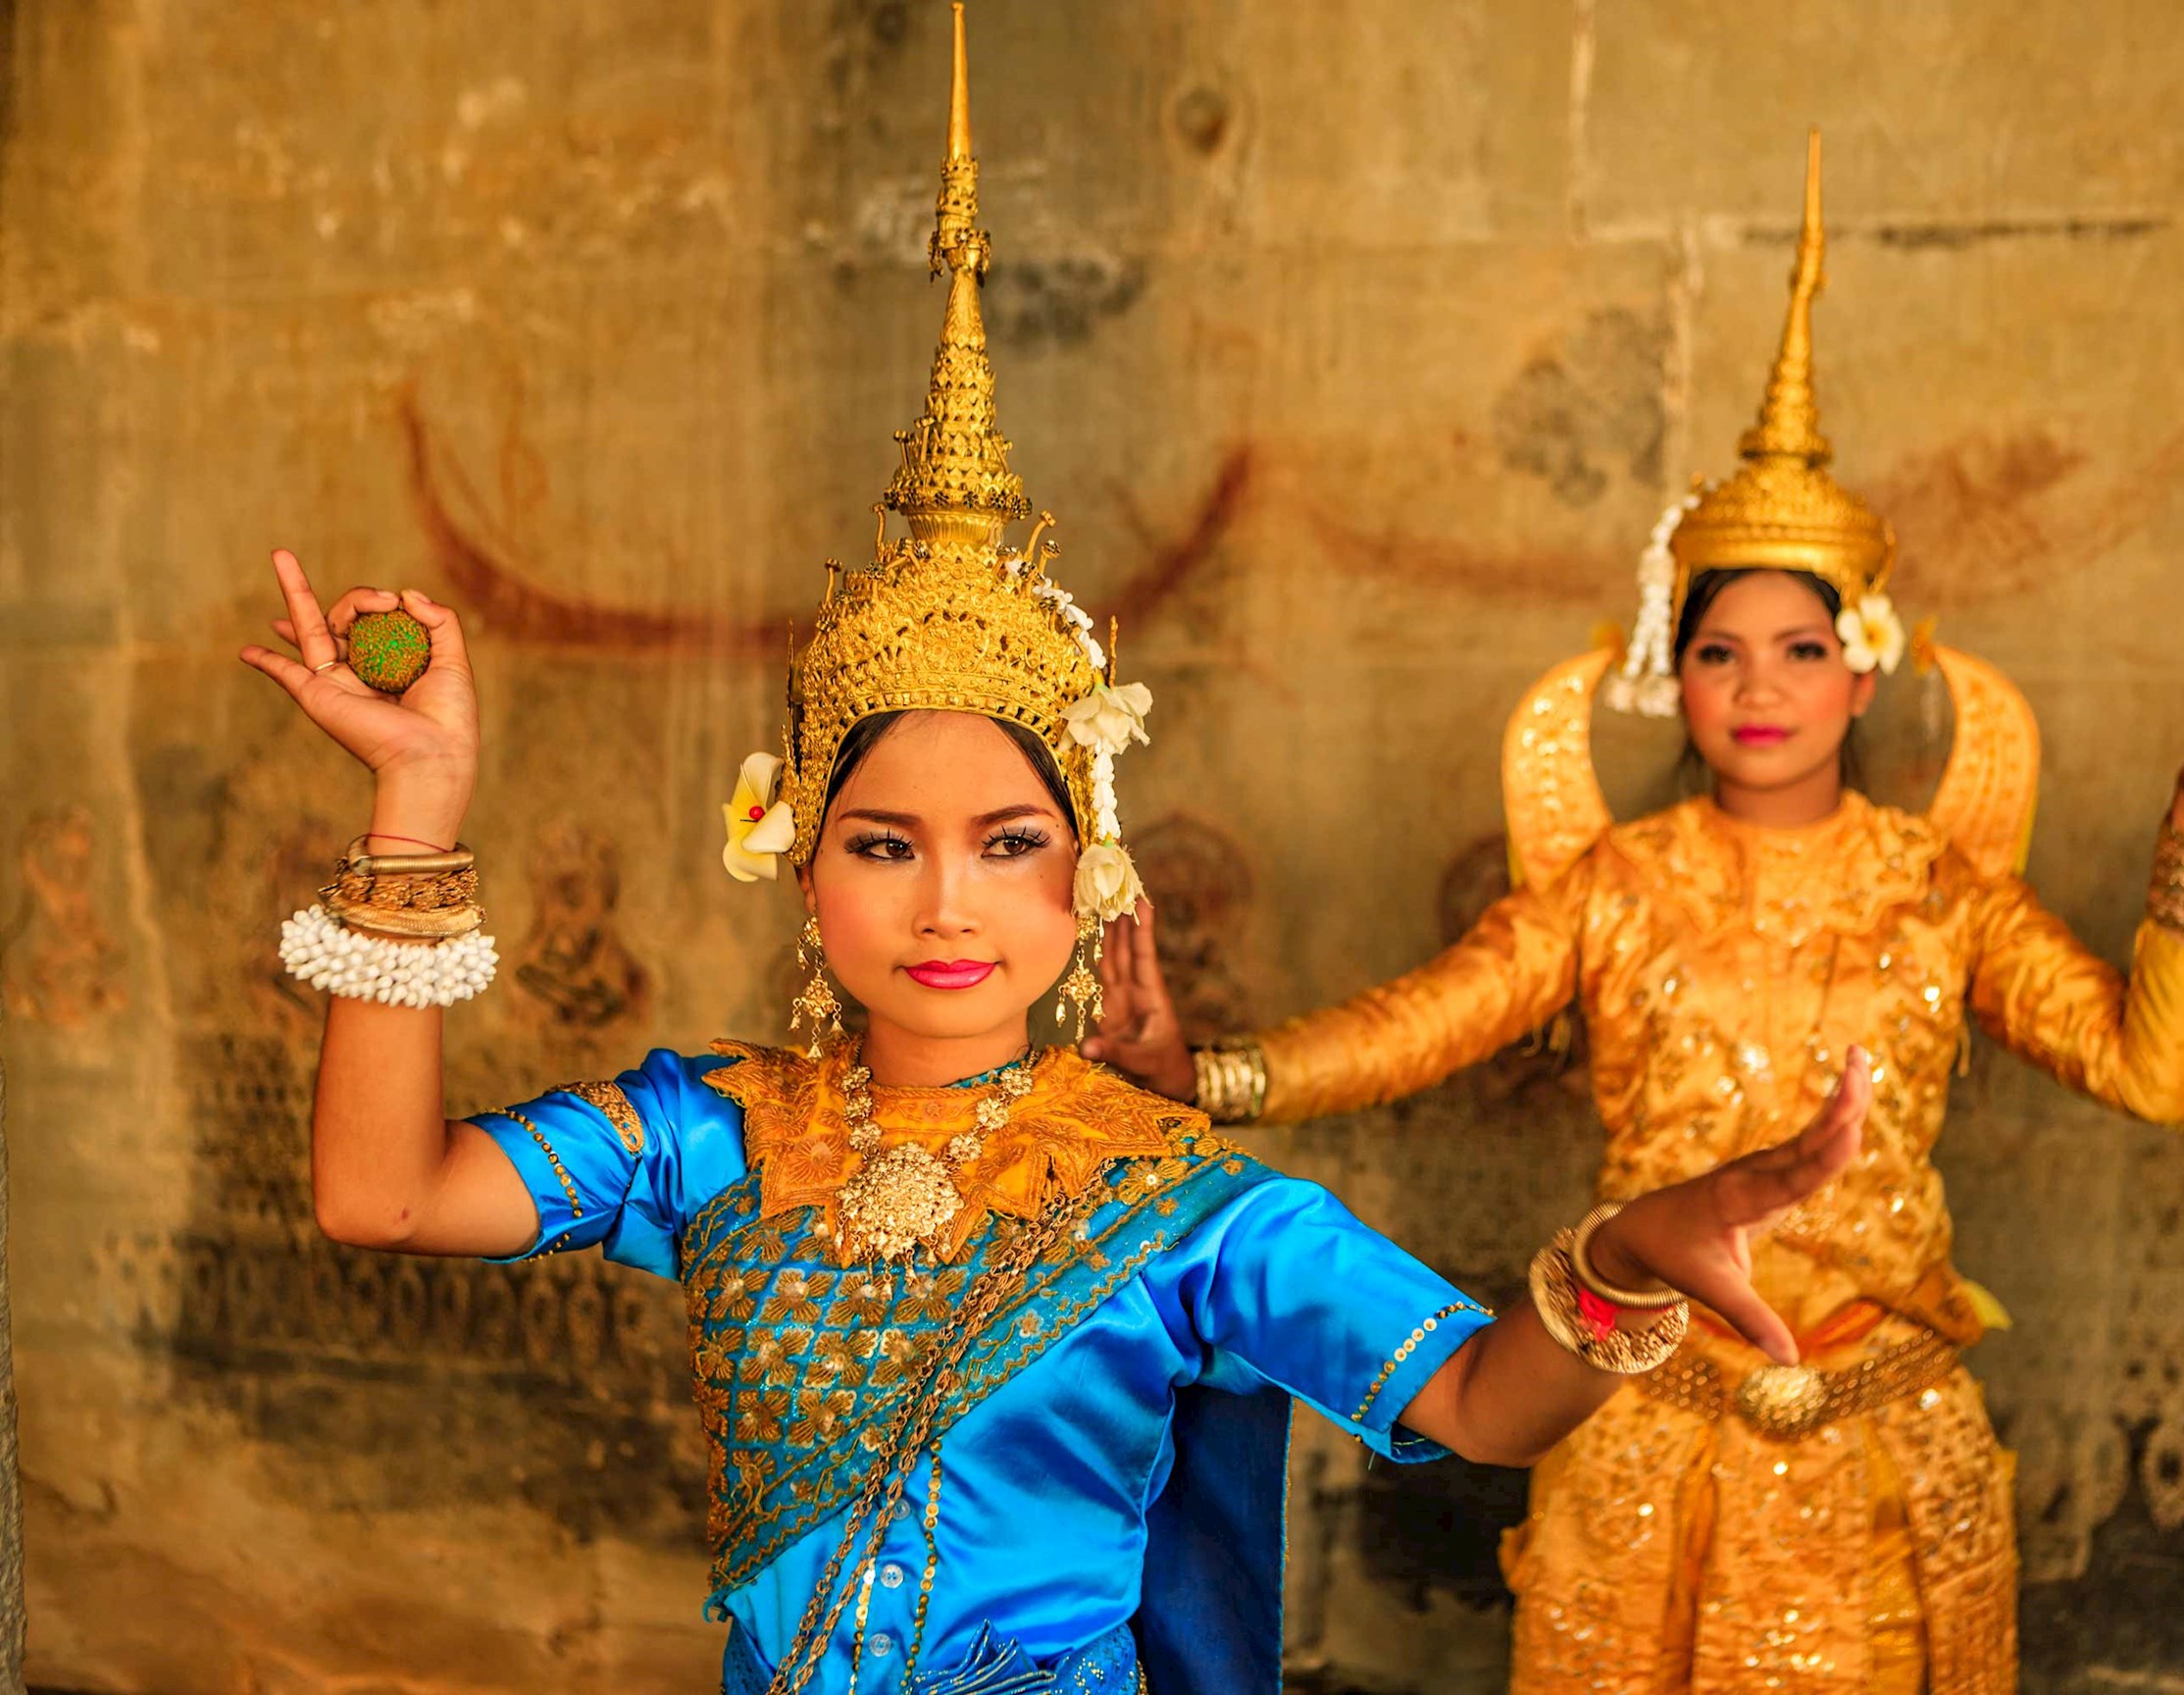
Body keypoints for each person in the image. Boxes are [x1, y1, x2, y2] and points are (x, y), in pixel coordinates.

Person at [232, 15, 1868, 1695]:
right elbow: (381, 1195)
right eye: (884, 844)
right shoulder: (712, 1137)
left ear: (1082, 873)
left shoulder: (1173, 1206)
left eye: (1007, 843)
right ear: (802, 869)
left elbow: (1473, 1406)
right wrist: (419, 803)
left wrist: (1618, 1262)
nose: (945, 902)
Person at [1081, 132, 2184, 1695]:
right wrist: (1203, 1076)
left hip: (1893, 1451)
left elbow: (2155, 1074)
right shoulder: (1617, 887)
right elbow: (1422, 1025)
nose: (1760, 688)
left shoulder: (1944, 887)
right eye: (1721, 652)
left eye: (1801, 651)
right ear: (1667, 673)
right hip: (1643, 1439)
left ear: (1864, 670)